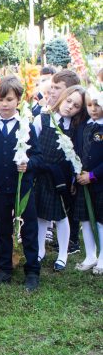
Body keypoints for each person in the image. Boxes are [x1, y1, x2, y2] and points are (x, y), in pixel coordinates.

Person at [0, 75, 43, 291]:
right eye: (0, 99)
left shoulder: (26, 127)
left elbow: (39, 156)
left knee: (29, 229)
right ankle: (4, 268)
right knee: (3, 228)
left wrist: (29, 163)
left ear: (18, 101)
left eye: (9, 99)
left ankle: (32, 270)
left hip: (22, 189)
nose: (4, 104)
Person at [33, 86, 87, 271]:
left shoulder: (75, 128)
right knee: (41, 214)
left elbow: (77, 154)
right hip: (42, 173)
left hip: (61, 178)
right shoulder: (42, 119)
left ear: (80, 110)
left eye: (76, 106)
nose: (70, 107)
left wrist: (73, 178)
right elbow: (33, 145)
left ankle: (63, 253)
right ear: (62, 98)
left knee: (62, 215)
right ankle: (40, 250)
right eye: (68, 101)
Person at [74, 89, 103, 273]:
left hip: (99, 183)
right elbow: (75, 150)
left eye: (97, 105)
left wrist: (92, 175)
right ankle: (90, 255)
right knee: (85, 219)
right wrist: (76, 174)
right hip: (81, 181)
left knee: (100, 220)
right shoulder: (83, 126)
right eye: (90, 105)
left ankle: (102, 258)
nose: (93, 109)